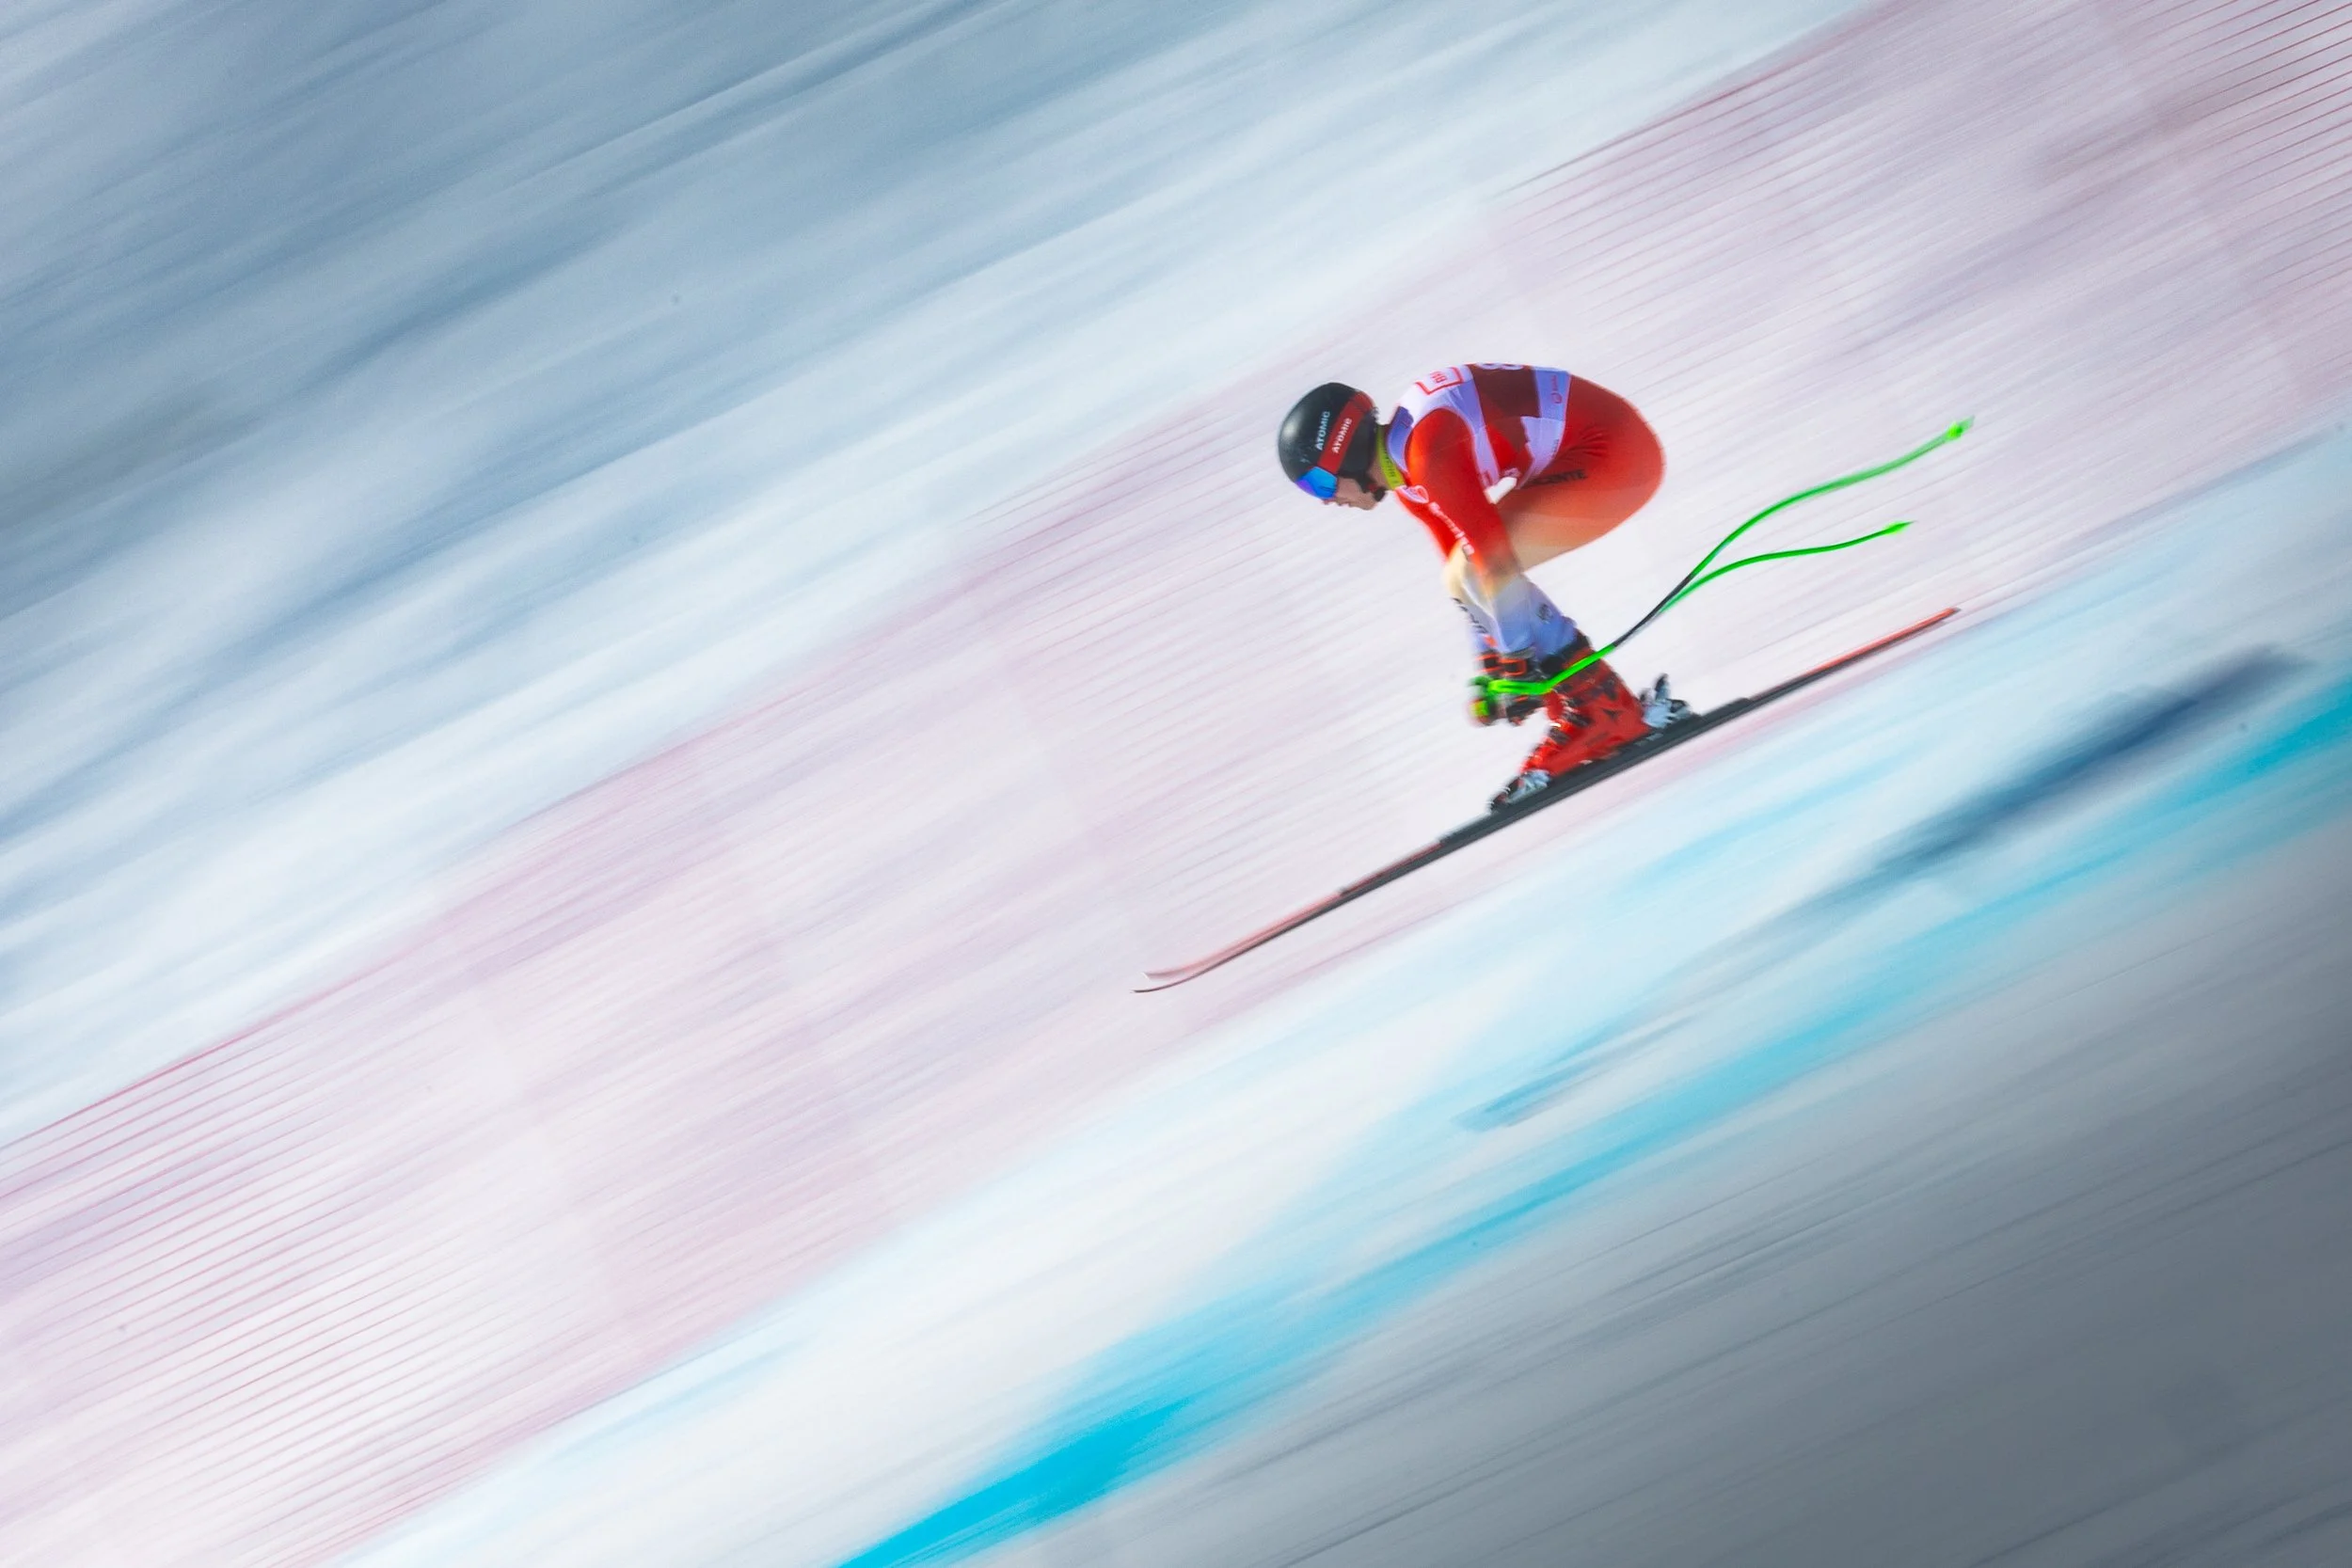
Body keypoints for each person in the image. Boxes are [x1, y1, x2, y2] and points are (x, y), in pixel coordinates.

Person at [1278, 363, 1684, 808]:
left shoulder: (1427, 455)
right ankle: (1588, 709)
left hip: (1616, 454)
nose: (1327, 500)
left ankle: (1607, 714)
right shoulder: (1408, 466)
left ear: (1344, 452)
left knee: (1482, 570)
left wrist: (1513, 659)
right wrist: (1492, 666)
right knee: (1462, 574)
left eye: (1319, 483)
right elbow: (1465, 583)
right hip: (1598, 449)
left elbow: (1494, 566)